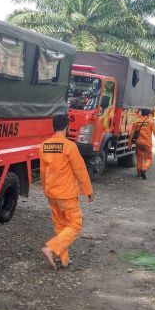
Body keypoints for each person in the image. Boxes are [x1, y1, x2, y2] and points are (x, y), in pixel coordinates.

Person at [39, 115, 94, 271]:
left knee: (60, 225)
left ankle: (64, 260)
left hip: (51, 193)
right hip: (66, 194)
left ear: (53, 127)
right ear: (67, 127)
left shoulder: (44, 146)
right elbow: (80, 171)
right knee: (75, 225)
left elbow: (43, 172)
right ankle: (50, 248)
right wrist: (88, 191)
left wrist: (46, 189)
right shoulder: (69, 146)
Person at [130, 109, 155, 180]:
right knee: (148, 158)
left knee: (139, 157)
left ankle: (139, 173)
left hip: (138, 142)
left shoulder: (137, 121)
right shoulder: (150, 121)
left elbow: (132, 133)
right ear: (149, 114)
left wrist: (129, 143)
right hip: (147, 143)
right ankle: (143, 169)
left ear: (142, 114)